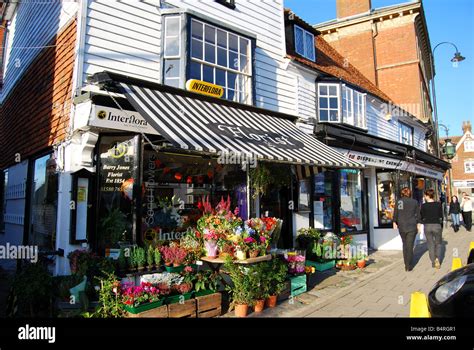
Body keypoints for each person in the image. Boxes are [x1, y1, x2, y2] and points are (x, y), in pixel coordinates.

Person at [393, 187, 420, 272]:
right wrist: (418, 224)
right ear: (409, 193)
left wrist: (394, 222)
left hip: (402, 225)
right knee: (410, 246)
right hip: (411, 226)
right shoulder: (414, 202)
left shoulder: (399, 201)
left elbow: (396, 213)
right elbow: (418, 215)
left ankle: (406, 264)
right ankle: (409, 265)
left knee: (404, 245)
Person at [420, 189, 444, 269]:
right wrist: (441, 226)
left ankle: (433, 261)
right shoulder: (438, 204)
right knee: (438, 243)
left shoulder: (423, 205)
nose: (424, 197)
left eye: (425, 195)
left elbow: (422, 216)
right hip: (437, 225)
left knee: (430, 244)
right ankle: (438, 259)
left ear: (427, 196)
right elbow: (441, 216)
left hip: (427, 226)